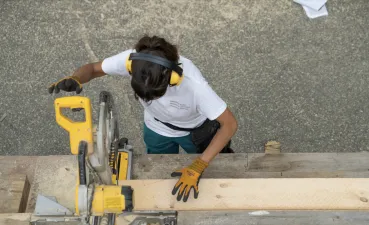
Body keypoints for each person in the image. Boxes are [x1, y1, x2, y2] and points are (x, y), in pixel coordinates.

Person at [48, 35, 238, 202]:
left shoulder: (195, 86)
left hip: (194, 131)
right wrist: (77, 78)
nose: (150, 100)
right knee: (158, 166)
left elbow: (229, 124)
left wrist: (199, 164)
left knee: (213, 171)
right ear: (131, 68)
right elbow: (94, 68)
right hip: (156, 128)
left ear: (172, 79)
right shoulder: (134, 61)